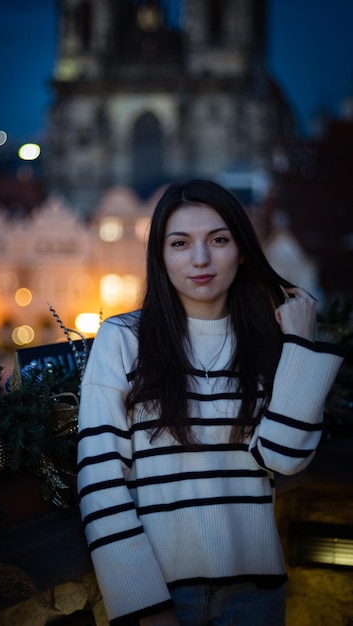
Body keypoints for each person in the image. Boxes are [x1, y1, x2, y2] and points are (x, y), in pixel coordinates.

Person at [77, 179, 343, 626]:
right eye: (180, 243)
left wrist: (298, 343)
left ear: (241, 249)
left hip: (257, 594)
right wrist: (145, 605)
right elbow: (101, 478)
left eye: (218, 240)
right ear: (160, 256)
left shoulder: (265, 344)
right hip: (161, 594)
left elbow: (285, 457)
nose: (200, 259)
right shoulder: (122, 339)